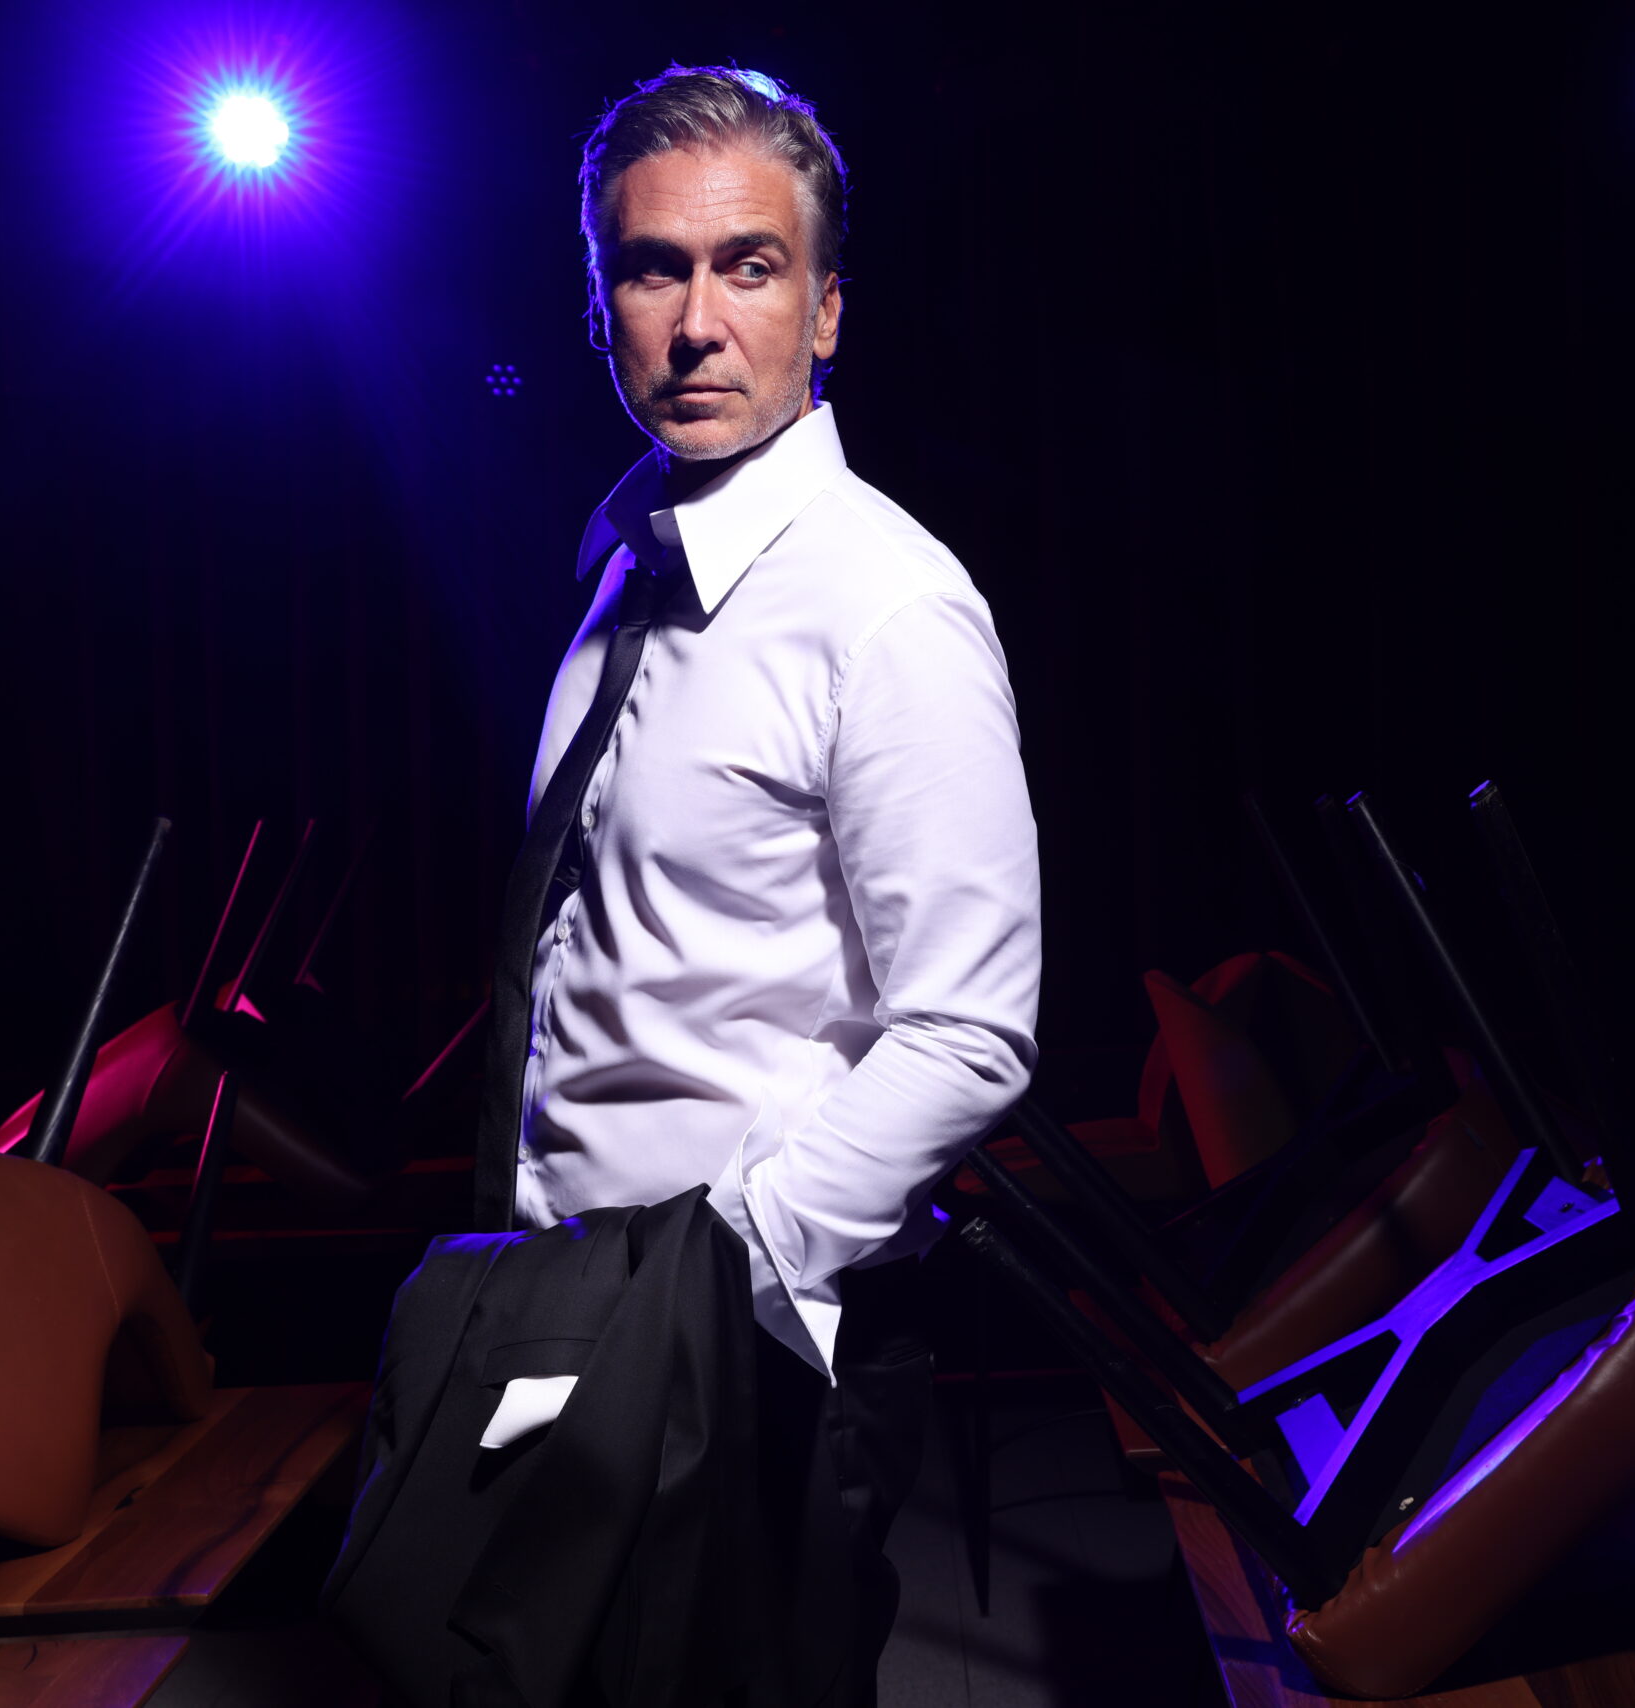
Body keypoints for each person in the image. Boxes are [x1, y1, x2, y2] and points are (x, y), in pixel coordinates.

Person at [474, 64, 1042, 1705]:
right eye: (655, 269)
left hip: (745, 1338)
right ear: (600, 309)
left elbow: (969, 1034)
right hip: (563, 1298)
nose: (698, 322)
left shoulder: (887, 606)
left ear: (827, 309)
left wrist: (711, 1284)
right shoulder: (621, 559)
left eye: (751, 266)